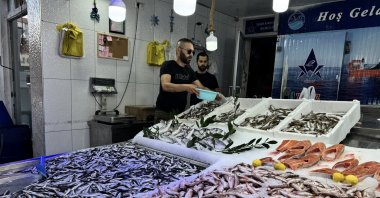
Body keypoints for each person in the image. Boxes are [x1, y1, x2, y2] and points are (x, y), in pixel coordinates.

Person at [155, 38, 208, 122]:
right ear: (178, 50)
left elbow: (201, 88)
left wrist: (215, 96)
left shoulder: (189, 70)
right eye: (189, 51)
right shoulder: (168, 65)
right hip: (164, 114)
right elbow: (166, 86)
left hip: (180, 114)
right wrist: (187, 87)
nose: (191, 55)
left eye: (193, 52)